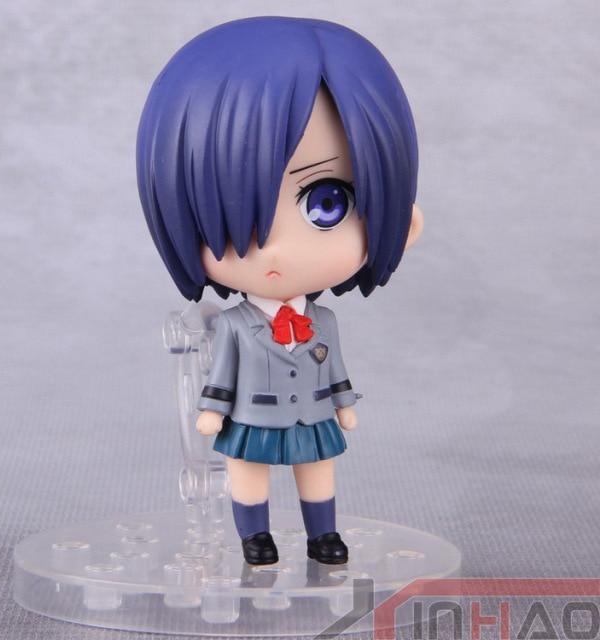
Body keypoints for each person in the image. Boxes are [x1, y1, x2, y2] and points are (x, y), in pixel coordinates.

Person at [136, 16, 423, 565]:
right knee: (248, 472)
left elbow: (335, 368)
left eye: (327, 204)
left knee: (318, 470)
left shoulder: (324, 321)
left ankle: (323, 534)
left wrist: (344, 405)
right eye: (236, 215)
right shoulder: (235, 325)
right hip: (254, 414)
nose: (274, 251)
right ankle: (255, 537)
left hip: (312, 414)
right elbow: (222, 374)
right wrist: (212, 412)